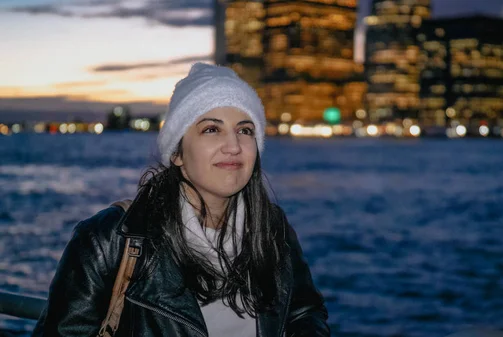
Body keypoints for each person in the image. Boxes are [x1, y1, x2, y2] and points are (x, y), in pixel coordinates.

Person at [32, 63, 329, 337]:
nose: (234, 145)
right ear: (177, 153)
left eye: (245, 130)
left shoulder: (273, 228)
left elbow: (303, 313)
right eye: (211, 129)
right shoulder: (108, 240)